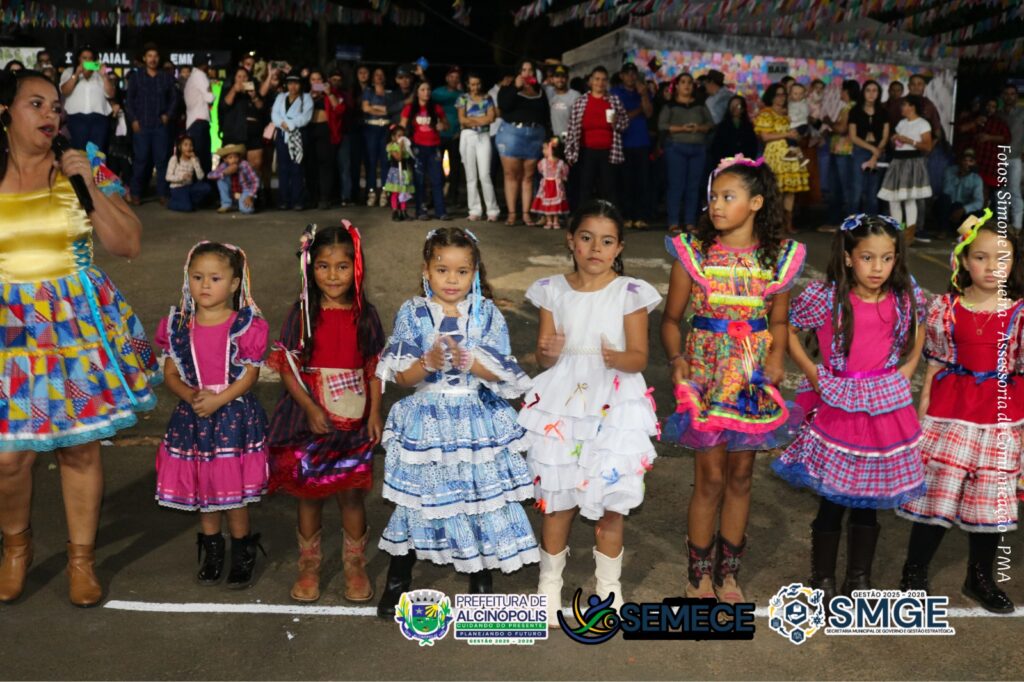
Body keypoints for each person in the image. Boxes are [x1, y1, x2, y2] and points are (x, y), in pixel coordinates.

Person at [0, 70, 160, 607]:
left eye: (55, 106)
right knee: (8, 458)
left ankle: (81, 561)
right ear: (6, 113)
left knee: (79, 448)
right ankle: (16, 550)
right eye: (36, 103)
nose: (50, 114)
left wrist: (88, 184)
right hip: (9, 333)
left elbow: (128, 243)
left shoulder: (83, 166)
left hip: (73, 330)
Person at [661, 157, 806, 604]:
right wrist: (676, 358)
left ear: (756, 203)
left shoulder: (777, 258)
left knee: (741, 475)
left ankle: (728, 574)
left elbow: (778, 321)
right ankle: (699, 574)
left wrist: (777, 357)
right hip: (706, 374)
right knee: (709, 477)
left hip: (751, 375)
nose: (717, 206)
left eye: (729, 197)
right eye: (714, 197)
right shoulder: (694, 253)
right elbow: (670, 320)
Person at [375, 227, 538, 618]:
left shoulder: (486, 313)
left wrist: (472, 363)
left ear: (475, 273)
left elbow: (503, 374)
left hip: (475, 422)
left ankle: (480, 578)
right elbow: (402, 378)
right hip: (428, 422)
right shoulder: (412, 312)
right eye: (442, 269)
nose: (452, 279)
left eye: (462, 271)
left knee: (479, 499)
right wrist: (426, 363)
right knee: (418, 500)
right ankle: (398, 578)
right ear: (425, 270)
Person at [776, 214, 927, 606]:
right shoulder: (826, 297)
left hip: (885, 410)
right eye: (867, 258)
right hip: (839, 408)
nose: (877, 268)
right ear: (847, 257)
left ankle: (858, 579)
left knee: (870, 500)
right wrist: (813, 372)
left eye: (887, 258)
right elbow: (786, 326)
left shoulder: (903, 296)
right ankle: (823, 579)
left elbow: (921, 326)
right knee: (834, 499)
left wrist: (908, 368)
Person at [521, 201, 660, 622]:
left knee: (610, 500)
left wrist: (618, 358)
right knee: (558, 498)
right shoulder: (552, 290)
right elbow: (544, 356)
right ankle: (549, 584)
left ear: (619, 247)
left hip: (612, 402)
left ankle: (609, 587)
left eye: (606, 241)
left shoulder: (630, 292)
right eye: (586, 238)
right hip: (563, 401)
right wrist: (548, 351)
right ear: (571, 241)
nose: (596, 248)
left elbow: (639, 356)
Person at [897, 211, 1024, 614]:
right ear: (964, 260)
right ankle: (914, 571)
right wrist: (921, 417)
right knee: (937, 494)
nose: (991, 267)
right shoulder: (945, 308)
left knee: (990, 500)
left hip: (1001, 417)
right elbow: (935, 365)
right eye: (981, 257)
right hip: (951, 413)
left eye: (1002, 259)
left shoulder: (1020, 313)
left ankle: (980, 577)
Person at [268, 223, 385, 603]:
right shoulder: (302, 314)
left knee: (351, 496)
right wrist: (309, 407)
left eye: (342, 266)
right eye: (323, 266)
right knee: (309, 494)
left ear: (357, 268)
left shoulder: (366, 316)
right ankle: (309, 565)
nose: (332, 276)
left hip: (354, 422)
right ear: (309, 267)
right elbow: (287, 366)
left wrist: (374, 413)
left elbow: (374, 367)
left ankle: (355, 564)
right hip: (311, 420)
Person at [154, 242, 269, 588]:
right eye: (197, 277)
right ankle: (213, 551)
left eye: (215, 278)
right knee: (205, 490)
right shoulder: (178, 327)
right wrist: (190, 395)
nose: (205, 285)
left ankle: (242, 551)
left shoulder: (245, 326)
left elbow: (250, 375)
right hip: (195, 416)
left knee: (233, 492)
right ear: (187, 279)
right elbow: (170, 374)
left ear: (234, 284)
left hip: (232, 417)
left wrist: (219, 400)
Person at [564, 66, 628, 209]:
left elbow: (625, 123)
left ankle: (610, 218)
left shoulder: (614, 100)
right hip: (586, 151)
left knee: (609, 188)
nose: (600, 83)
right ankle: (582, 217)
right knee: (585, 187)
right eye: (597, 79)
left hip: (609, 152)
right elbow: (572, 128)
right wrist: (570, 151)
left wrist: (616, 123)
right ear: (591, 81)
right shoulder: (581, 101)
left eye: (604, 80)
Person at [658, 73, 714, 233]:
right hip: (676, 147)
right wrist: (682, 128)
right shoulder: (670, 105)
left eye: (689, 82)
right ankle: (674, 221)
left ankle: (690, 222)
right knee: (676, 185)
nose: (687, 85)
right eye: (683, 82)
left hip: (698, 148)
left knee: (693, 186)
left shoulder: (700, 105)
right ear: (676, 86)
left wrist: (699, 127)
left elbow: (710, 124)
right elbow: (662, 125)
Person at [497, 59, 550, 226]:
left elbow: (545, 115)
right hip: (512, 135)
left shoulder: (539, 90)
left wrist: (547, 138)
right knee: (511, 175)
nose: (527, 73)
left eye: (530, 70)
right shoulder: (508, 87)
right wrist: (515, 88)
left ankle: (526, 214)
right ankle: (512, 214)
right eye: (524, 69)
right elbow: (504, 105)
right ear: (518, 72)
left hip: (534, 135)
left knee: (528, 177)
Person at [126, 43, 178, 205]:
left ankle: (163, 194)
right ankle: (135, 193)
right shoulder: (136, 77)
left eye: (155, 56)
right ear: (144, 58)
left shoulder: (165, 77)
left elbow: (174, 99)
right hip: (141, 125)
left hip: (160, 126)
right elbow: (129, 101)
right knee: (141, 160)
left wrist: (168, 115)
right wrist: (133, 120)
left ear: (159, 58)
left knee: (162, 161)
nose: (152, 59)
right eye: (149, 56)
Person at [878, 95, 934, 245]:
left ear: (912, 107)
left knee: (909, 198)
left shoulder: (923, 124)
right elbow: (897, 144)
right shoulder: (901, 123)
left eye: (904, 105)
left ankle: (910, 233)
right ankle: (897, 230)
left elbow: (927, 146)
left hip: (912, 161)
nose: (902, 108)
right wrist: (895, 140)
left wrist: (908, 140)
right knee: (894, 198)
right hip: (898, 161)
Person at [755, 83, 809, 235]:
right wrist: (786, 134)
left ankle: (788, 223)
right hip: (775, 155)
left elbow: (799, 133)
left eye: (783, 94)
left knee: (790, 191)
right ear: (771, 96)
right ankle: (774, 223)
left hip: (791, 153)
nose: (781, 98)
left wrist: (796, 136)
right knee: (775, 190)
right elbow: (765, 137)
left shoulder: (788, 113)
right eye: (778, 95)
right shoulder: (766, 113)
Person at [611, 62, 653, 228]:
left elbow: (649, 113)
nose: (631, 76)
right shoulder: (615, 92)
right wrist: (638, 110)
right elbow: (620, 118)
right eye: (627, 73)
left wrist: (643, 95)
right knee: (625, 182)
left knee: (642, 181)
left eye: (633, 73)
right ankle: (626, 216)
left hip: (641, 141)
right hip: (623, 142)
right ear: (621, 76)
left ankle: (641, 216)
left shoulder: (643, 91)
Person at [400, 81, 450, 221]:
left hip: (434, 147)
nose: (426, 92)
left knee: (437, 180)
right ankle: (420, 210)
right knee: (419, 180)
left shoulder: (436, 108)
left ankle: (440, 211)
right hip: (417, 147)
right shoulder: (410, 108)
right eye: (422, 89)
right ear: (417, 92)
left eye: (428, 89)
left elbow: (447, 125)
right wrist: (400, 144)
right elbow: (401, 128)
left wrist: (443, 126)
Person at [218, 67, 268, 202]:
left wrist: (254, 96)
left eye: (245, 77)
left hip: (253, 134)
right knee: (232, 166)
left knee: (255, 165)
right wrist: (234, 90)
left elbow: (262, 109)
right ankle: (230, 197)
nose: (242, 79)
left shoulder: (253, 90)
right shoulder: (228, 89)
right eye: (239, 76)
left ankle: (253, 196)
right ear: (234, 78)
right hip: (234, 134)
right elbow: (224, 106)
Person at [456, 72, 499, 222]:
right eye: (473, 84)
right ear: (468, 84)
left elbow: (491, 118)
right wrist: (482, 119)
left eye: (478, 84)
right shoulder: (462, 98)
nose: (476, 87)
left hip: (483, 136)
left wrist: (472, 119)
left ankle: (492, 210)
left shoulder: (487, 98)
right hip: (467, 137)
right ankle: (474, 210)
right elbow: (462, 120)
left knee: (485, 174)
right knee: (471, 176)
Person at [59, 47, 115, 153]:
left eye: (90, 58)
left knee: (97, 153)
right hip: (77, 118)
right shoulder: (69, 71)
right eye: (84, 58)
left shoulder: (99, 73)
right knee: (79, 151)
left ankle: (95, 165)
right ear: (78, 59)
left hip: (99, 118)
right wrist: (76, 74)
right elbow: (65, 91)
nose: (87, 61)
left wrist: (104, 76)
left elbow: (111, 94)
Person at [848, 79, 890, 215]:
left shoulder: (883, 112)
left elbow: (885, 137)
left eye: (874, 91)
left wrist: (875, 155)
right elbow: (853, 136)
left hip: (878, 153)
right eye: (868, 90)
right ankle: (853, 224)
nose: (871, 94)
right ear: (863, 93)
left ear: (879, 93)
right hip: (860, 151)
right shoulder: (855, 111)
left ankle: (871, 224)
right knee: (857, 189)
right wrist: (873, 149)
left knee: (873, 191)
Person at [272, 74, 313, 211]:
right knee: (283, 168)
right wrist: (281, 123)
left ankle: (298, 200)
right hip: (282, 134)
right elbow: (274, 114)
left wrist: (289, 124)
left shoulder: (306, 98)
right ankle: (284, 200)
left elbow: (305, 117)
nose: (293, 86)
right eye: (290, 83)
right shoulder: (281, 97)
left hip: (298, 135)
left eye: (296, 83)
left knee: (297, 168)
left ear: (300, 85)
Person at [823, 80, 860, 231]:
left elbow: (842, 129)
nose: (840, 93)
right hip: (840, 151)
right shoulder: (852, 107)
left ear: (847, 91)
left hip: (844, 152)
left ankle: (845, 222)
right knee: (840, 187)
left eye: (842, 90)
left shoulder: (849, 108)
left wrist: (829, 122)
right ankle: (840, 221)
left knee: (842, 188)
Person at [305, 70, 344, 210]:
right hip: (309, 130)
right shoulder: (306, 95)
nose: (316, 82)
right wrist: (310, 95)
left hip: (325, 130)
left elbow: (339, 109)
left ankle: (325, 197)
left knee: (325, 164)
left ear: (324, 81)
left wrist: (329, 93)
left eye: (319, 79)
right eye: (313, 79)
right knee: (310, 165)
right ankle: (312, 197)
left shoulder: (331, 93)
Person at [433, 66, 464, 209]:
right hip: (439, 136)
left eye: (457, 77)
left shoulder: (462, 95)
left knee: (455, 169)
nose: (454, 79)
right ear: (446, 78)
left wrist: (460, 131)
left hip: (455, 135)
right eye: (451, 76)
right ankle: (435, 197)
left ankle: (453, 197)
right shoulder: (437, 92)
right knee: (436, 168)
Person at [936, 148, 984, 239]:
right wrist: (959, 177)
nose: (967, 163)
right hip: (949, 208)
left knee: (980, 213)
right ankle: (943, 230)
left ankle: (962, 232)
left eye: (970, 161)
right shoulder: (950, 171)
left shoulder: (977, 179)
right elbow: (946, 192)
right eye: (965, 160)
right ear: (960, 161)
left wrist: (964, 209)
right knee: (943, 199)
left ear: (974, 163)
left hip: (963, 210)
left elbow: (979, 202)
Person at [361, 67, 391, 209]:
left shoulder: (389, 93)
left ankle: (385, 191)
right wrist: (383, 110)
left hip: (386, 129)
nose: (379, 77)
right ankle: (371, 191)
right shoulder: (368, 91)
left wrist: (375, 107)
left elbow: (391, 109)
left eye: (381, 74)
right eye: (376, 74)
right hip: (371, 129)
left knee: (385, 161)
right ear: (373, 78)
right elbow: (366, 108)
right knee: (371, 162)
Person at [707, 95, 758, 175]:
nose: (734, 108)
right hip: (726, 163)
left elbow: (752, 145)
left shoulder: (748, 126)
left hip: (744, 164)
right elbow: (716, 147)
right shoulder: (722, 126)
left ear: (743, 109)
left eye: (738, 106)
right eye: (732, 106)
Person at [975, 96, 1010, 204]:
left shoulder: (999, 123)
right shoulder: (974, 119)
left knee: (986, 192)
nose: (990, 109)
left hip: (989, 161)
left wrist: (989, 137)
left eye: (993, 107)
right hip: (975, 160)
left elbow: (1007, 138)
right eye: (988, 106)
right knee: (975, 191)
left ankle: (986, 212)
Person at [183, 54, 214, 175]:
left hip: (193, 122)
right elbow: (210, 98)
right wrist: (211, 90)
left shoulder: (192, 77)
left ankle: (200, 184)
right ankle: (203, 185)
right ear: (204, 65)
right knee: (203, 160)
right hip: (199, 122)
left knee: (198, 159)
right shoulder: (200, 76)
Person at [999, 84, 1024, 230]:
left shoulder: (1022, 113)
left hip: (1015, 157)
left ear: (1016, 96)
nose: (1009, 96)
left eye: (1012, 94)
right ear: (1002, 96)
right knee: (1001, 191)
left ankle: (1017, 226)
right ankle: (1002, 223)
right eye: (1006, 94)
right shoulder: (998, 114)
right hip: (999, 157)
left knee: (1014, 190)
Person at [530, 137, 569, 229]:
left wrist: (561, 178)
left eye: (545, 148)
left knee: (556, 204)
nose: (543, 151)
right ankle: (549, 221)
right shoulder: (542, 162)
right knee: (547, 203)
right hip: (547, 185)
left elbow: (564, 172)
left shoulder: (560, 163)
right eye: (543, 149)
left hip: (556, 186)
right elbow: (541, 171)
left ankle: (555, 221)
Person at [165, 135, 212, 212]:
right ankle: (171, 203)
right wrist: (182, 177)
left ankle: (190, 202)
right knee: (187, 208)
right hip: (177, 188)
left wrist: (194, 161)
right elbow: (168, 177)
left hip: (189, 187)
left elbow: (200, 177)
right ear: (180, 147)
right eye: (185, 145)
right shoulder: (174, 159)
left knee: (206, 188)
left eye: (191, 145)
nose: (189, 147)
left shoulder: (195, 159)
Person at [209, 144, 259, 214]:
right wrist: (224, 173)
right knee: (220, 179)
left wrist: (250, 196)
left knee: (247, 210)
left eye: (236, 157)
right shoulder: (224, 165)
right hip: (232, 193)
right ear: (225, 160)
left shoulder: (244, 165)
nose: (234, 160)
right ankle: (226, 204)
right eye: (230, 158)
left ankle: (243, 203)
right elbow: (210, 175)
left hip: (245, 191)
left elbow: (255, 181)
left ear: (239, 157)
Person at [327, 71, 352, 207]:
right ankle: (330, 196)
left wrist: (331, 94)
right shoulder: (321, 92)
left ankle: (345, 196)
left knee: (344, 166)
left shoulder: (344, 95)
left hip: (343, 133)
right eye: (333, 79)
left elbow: (340, 109)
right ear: (328, 80)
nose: (336, 82)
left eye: (338, 79)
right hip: (327, 134)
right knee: (329, 167)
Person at [383, 124, 415, 221]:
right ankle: (395, 211)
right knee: (395, 193)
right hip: (396, 173)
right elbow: (399, 158)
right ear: (393, 137)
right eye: (399, 136)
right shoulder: (391, 146)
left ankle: (404, 211)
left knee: (404, 192)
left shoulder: (406, 147)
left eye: (403, 135)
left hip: (404, 172)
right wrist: (400, 147)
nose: (402, 138)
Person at [544, 64, 580, 140]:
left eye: (563, 77)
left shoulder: (575, 95)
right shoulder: (549, 93)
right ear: (552, 79)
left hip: (571, 140)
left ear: (567, 78)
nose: (560, 80)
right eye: (557, 76)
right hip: (554, 140)